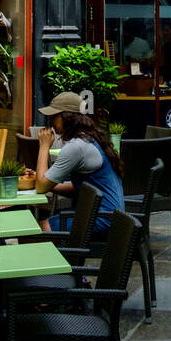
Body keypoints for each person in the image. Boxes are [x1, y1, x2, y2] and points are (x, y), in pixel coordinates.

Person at [35, 93, 124, 236]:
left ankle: (59, 257)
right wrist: (47, 180)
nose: (49, 120)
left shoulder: (76, 147)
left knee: (35, 232)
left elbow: (41, 187)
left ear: (67, 117)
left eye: (54, 116)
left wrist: (44, 146)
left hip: (102, 219)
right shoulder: (90, 139)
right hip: (113, 216)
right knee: (40, 227)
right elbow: (82, 187)